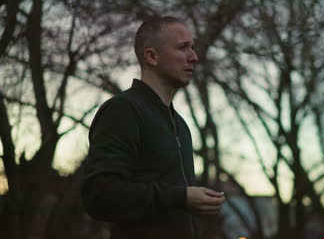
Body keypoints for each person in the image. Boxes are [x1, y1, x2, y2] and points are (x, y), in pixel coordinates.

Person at [81, 15, 225, 239]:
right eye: (182, 48)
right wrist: (180, 197)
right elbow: (99, 195)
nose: (194, 57)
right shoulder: (123, 110)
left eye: (193, 48)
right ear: (151, 56)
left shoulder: (181, 126)